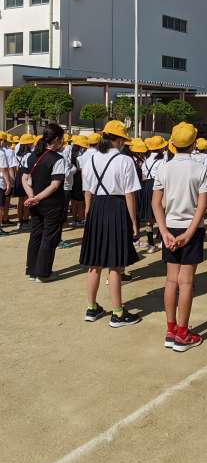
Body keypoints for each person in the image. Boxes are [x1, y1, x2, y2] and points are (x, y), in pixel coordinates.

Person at [152, 122, 207, 352]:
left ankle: (170, 329)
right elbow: (202, 206)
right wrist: (189, 233)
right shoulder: (200, 169)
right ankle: (182, 333)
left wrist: (164, 231)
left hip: (170, 227)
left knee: (171, 280)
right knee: (186, 282)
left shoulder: (164, 168)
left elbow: (156, 203)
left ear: (173, 143)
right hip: (191, 228)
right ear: (194, 143)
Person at [80, 120, 141, 327]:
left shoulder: (91, 158)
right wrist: (134, 222)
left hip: (96, 206)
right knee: (115, 264)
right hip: (116, 207)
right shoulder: (125, 161)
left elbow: (87, 190)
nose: (124, 143)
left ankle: (91, 308)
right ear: (119, 139)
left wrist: (88, 211)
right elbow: (129, 195)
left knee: (94, 263)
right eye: (123, 139)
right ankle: (118, 313)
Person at [22, 123, 66, 282]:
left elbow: (24, 178)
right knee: (49, 237)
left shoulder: (31, 156)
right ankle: (42, 273)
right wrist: (37, 197)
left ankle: (32, 270)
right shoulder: (58, 159)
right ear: (57, 139)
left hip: (35, 203)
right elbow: (55, 185)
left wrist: (32, 196)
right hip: (52, 204)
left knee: (35, 235)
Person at [140, 136, 167, 254]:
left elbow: (143, 177)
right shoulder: (162, 161)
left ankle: (151, 244)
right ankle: (161, 240)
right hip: (158, 187)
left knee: (149, 217)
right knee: (162, 213)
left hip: (147, 187)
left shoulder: (145, 160)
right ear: (161, 148)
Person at [14, 134, 34, 231]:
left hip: (19, 175)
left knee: (20, 200)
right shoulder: (30, 154)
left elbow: (16, 167)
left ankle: (19, 221)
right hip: (26, 175)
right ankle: (25, 221)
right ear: (28, 144)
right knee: (26, 199)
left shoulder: (17, 153)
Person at [0, 140, 11, 236]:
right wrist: (8, 183)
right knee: (0, 207)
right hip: (0, 183)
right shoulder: (1, 153)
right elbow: (4, 169)